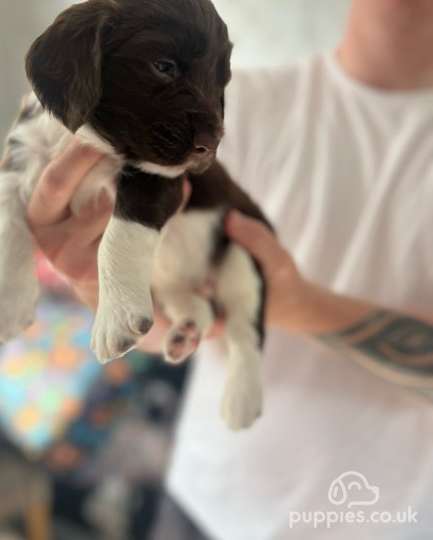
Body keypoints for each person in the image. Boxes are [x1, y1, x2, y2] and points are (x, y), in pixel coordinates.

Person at [27, 0, 433, 537]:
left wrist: (295, 304)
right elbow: (176, 322)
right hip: (204, 504)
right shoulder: (229, 108)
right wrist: (102, 286)